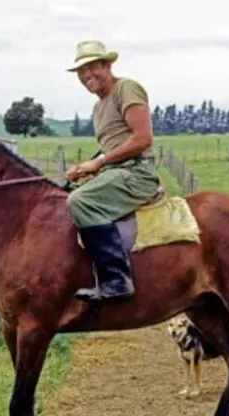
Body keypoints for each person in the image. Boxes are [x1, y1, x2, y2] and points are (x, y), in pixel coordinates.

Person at [64, 40, 161, 304]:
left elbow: (142, 139)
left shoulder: (126, 88)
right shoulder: (98, 106)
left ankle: (116, 280)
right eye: (81, 72)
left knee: (80, 200)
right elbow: (113, 145)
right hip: (116, 172)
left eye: (92, 67)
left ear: (107, 65)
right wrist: (87, 167)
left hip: (136, 173)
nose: (86, 76)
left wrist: (99, 163)